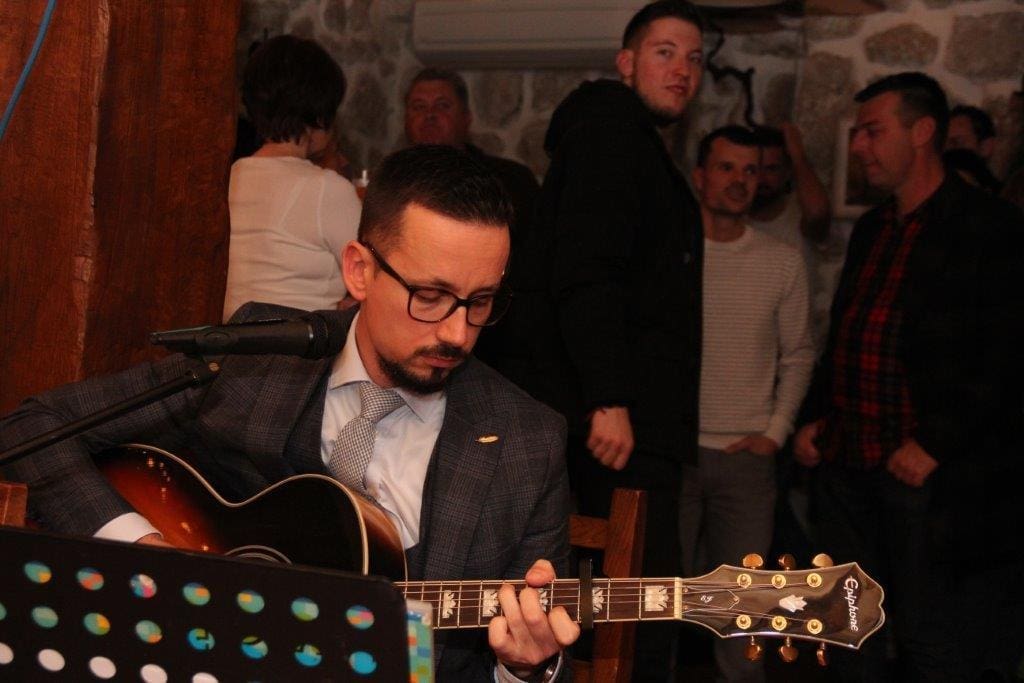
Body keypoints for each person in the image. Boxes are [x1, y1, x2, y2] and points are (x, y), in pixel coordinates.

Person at [0, 145, 580, 682]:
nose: (456, 333)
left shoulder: (527, 443)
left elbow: (541, 648)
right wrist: (150, 556)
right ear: (359, 271)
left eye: (480, 302)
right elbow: (36, 427)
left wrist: (522, 669)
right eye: (429, 296)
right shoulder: (261, 358)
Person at [492, 2, 705, 679]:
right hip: (615, 420)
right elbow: (587, 273)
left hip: (622, 413)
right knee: (636, 608)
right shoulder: (613, 136)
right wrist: (608, 398)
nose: (682, 70)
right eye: (665, 52)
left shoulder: (622, 137)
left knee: (620, 603)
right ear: (627, 62)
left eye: (694, 58)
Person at [793, 72, 1024, 681]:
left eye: (872, 131)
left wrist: (936, 443)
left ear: (922, 132)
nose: (859, 146)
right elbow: (848, 335)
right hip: (847, 466)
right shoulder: (875, 227)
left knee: (932, 638)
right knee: (846, 633)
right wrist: (817, 417)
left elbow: (1004, 356)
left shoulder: (988, 228)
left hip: (926, 479)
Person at [681, 126, 813, 683]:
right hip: (676, 454)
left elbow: (799, 353)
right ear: (700, 176)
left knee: (744, 616)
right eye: (727, 167)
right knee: (656, 605)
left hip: (746, 459)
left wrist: (776, 432)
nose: (739, 181)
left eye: (751, 170)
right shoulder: (674, 255)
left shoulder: (781, 260)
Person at [222, 35, 361, 321]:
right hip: (299, 346)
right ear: (320, 113)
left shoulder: (229, 176)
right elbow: (376, 278)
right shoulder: (326, 188)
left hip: (230, 342)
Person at [403, 67, 539, 251]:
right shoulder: (391, 183)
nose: (430, 115)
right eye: (419, 107)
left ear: (466, 118)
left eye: (443, 105)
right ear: (406, 120)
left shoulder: (511, 181)